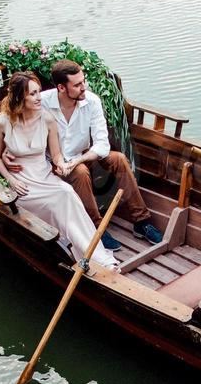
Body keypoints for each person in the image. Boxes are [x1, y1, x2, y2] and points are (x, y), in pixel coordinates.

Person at [0, 72, 117, 271]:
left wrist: (62, 165)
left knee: (67, 193)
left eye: (39, 92)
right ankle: (59, 249)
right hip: (21, 180)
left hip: (44, 175)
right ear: (19, 97)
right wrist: (10, 180)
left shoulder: (48, 120)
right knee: (47, 203)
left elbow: (56, 155)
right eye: (32, 94)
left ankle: (91, 253)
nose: (39, 97)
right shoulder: (2, 122)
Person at [39, 60, 163, 252]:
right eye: (78, 84)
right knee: (79, 172)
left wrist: (80, 159)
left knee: (119, 159)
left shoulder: (91, 101)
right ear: (61, 88)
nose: (84, 87)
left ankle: (141, 222)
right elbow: (18, 122)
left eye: (84, 81)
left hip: (85, 156)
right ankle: (96, 229)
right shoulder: (43, 103)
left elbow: (102, 144)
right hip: (57, 164)